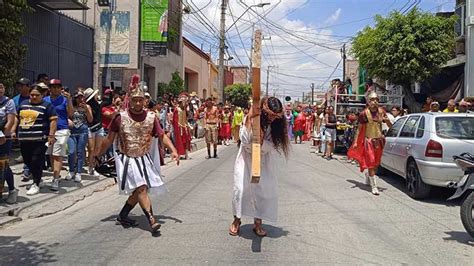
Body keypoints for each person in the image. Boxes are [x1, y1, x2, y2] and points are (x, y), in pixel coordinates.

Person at [95, 82, 179, 233]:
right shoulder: (120, 118)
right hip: (126, 158)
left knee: (141, 189)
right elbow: (109, 139)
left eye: (141, 100)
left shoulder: (152, 118)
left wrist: (173, 150)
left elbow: (161, 135)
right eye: (135, 100)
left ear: (145, 101)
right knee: (141, 188)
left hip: (144, 157)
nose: (138, 103)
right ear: (130, 101)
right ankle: (151, 219)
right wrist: (97, 155)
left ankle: (123, 214)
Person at [229, 97, 290, 237]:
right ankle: (237, 220)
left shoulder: (275, 125)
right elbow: (244, 140)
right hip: (245, 159)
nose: (272, 119)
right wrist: (250, 117)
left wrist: (261, 145)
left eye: (275, 116)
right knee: (240, 189)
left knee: (263, 192)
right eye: (270, 115)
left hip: (263, 161)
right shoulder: (250, 118)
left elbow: (273, 145)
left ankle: (258, 222)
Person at [348, 92, 391, 195]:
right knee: (371, 162)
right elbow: (359, 129)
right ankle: (374, 186)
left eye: (376, 99)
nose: (374, 101)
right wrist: (355, 142)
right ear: (368, 101)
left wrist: (387, 120)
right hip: (369, 141)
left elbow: (390, 125)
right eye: (372, 99)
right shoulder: (364, 113)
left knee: (376, 164)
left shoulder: (382, 111)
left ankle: (369, 175)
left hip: (379, 140)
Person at [18, 85, 57, 195]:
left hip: (39, 140)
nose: (34, 97)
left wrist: (51, 135)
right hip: (24, 139)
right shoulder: (23, 104)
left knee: (36, 160)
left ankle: (36, 183)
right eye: (32, 95)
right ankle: (38, 178)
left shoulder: (47, 106)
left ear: (42, 95)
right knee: (27, 161)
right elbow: (18, 118)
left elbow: (53, 121)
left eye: (37, 95)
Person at [44, 79, 73, 190]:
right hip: (49, 130)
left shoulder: (64, 100)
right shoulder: (45, 100)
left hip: (62, 129)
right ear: (49, 88)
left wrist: (69, 100)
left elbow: (70, 114)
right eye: (53, 87)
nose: (55, 89)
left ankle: (55, 179)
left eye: (57, 87)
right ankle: (56, 174)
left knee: (57, 155)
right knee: (51, 154)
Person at [66, 91, 93, 182]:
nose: (80, 99)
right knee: (71, 151)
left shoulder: (87, 106)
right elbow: (69, 115)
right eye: (78, 97)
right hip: (72, 131)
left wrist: (86, 110)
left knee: (80, 152)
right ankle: (71, 170)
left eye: (82, 97)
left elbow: (90, 120)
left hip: (83, 131)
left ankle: (78, 172)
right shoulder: (71, 106)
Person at [0, 83, 18, 203]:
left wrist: (2, 135)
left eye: (1, 87)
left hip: (3, 139)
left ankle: (11, 190)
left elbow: (10, 121)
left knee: (3, 166)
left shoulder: (9, 102)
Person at [84, 88, 104, 176]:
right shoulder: (88, 106)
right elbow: (90, 120)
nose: (97, 96)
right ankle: (90, 166)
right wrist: (88, 111)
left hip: (99, 128)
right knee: (91, 149)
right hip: (90, 128)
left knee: (98, 148)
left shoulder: (98, 104)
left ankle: (95, 166)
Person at [173, 93, 191, 160]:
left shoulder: (184, 110)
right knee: (179, 141)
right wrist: (178, 127)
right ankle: (179, 154)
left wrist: (187, 126)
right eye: (183, 103)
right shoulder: (177, 110)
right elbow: (175, 120)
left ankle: (186, 154)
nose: (184, 104)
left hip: (185, 127)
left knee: (186, 141)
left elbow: (186, 118)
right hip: (179, 128)